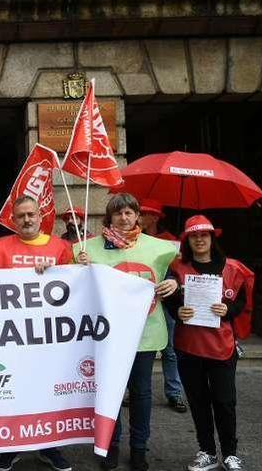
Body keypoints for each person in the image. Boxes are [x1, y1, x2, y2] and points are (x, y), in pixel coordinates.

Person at [74, 193, 178, 471]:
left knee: (142, 393)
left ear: (138, 216)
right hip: (107, 336)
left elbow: (174, 273)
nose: (124, 218)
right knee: (111, 392)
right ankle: (110, 445)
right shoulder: (86, 249)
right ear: (109, 217)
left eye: (129, 213)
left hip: (146, 333)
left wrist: (173, 283)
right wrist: (78, 266)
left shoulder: (161, 247)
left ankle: (139, 448)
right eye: (118, 213)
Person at [0, 195, 73, 471]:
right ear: (13, 220)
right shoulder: (1, 247)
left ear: (40, 217)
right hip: (11, 338)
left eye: (31, 214)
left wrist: (57, 272)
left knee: (48, 394)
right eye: (21, 216)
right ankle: (12, 447)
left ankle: (50, 446)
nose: (27, 220)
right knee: (13, 395)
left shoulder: (60, 247)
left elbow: (75, 285)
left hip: (48, 337)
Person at [164, 215, 253, 471]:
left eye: (204, 234)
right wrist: (176, 310)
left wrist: (228, 309)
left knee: (225, 401)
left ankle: (230, 453)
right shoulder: (177, 269)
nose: (199, 239)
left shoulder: (233, 269)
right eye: (194, 235)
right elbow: (168, 298)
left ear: (212, 238)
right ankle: (207, 451)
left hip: (221, 347)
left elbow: (242, 302)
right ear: (187, 240)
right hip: (188, 347)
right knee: (198, 401)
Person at [138, 199, 187, 413]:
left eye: (144, 213)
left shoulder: (170, 241)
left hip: (165, 303)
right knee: (138, 351)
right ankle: (135, 390)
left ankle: (174, 393)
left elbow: (178, 273)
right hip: (141, 305)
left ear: (155, 217)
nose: (139, 217)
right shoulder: (133, 240)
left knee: (170, 351)